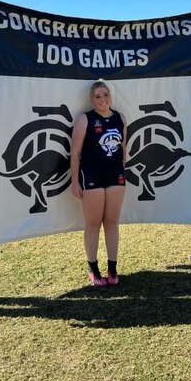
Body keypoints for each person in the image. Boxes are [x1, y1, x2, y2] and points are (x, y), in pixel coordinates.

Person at [71, 80, 127, 286]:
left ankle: (112, 269)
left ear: (110, 96)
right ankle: (93, 270)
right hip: (91, 175)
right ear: (91, 99)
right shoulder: (85, 119)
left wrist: (122, 171)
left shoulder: (120, 118)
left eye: (105, 95)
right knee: (93, 224)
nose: (103, 100)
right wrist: (74, 181)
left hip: (115, 176)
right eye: (98, 96)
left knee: (112, 223)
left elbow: (123, 149)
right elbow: (75, 153)